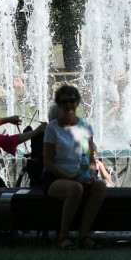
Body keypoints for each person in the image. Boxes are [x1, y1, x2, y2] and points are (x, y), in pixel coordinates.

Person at [42, 85, 107, 250]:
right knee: (75, 188)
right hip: (55, 177)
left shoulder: (85, 127)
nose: (69, 105)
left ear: (77, 102)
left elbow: (91, 158)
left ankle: (83, 235)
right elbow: (48, 162)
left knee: (100, 186)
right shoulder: (52, 128)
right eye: (64, 102)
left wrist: (91, 174)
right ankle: (63, 236)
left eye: (72, 100)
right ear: (58, 104)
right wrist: (68, 176)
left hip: (79, 175)